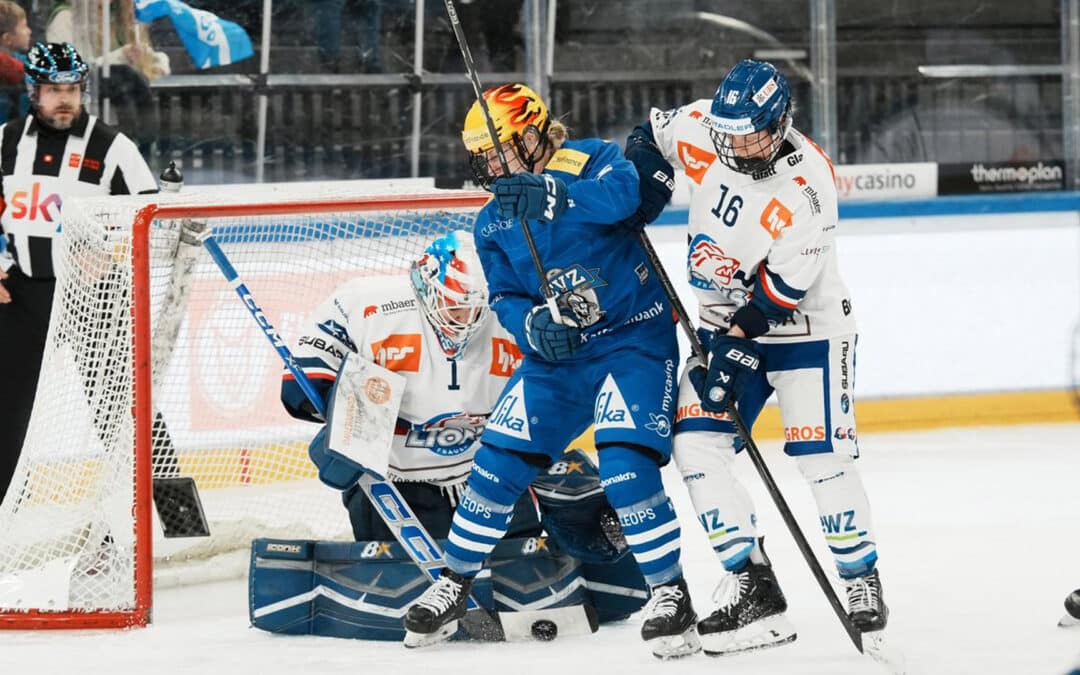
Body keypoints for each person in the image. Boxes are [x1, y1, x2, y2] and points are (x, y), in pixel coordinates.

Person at [402, 83, 700, 659]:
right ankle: (455, 582)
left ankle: (671, 594)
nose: (491, 164)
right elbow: (508, 296)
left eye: (500, 149)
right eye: (482, 156)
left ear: (534, 134)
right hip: (558, 361)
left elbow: (623, 198)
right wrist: (532, 325)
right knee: (496, 462)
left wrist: (549, 193)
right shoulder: (491, 223)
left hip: (633, 341)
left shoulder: (590, 158)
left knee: (624, 465)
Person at [621, 59, 889, 655]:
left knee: (821, 454)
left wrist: (738, 340)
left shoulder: (809, 183)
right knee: (694, 444)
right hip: (722, 327)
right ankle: (753, 586)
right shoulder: (704, 126)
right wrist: (646, 182)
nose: (738, 146)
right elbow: (649, 134)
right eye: (730, 134)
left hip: (804, 329)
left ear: (781, 121)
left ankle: (860, 577)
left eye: (752, 135)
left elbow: (781, 291)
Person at [276, 230, 648, 639]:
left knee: (571, 523)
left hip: (490, 474)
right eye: (453, 307)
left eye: (475, 309)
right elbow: (302, 381)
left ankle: (592, 551)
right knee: (402, 577)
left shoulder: (514, 314)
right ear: (424, 285)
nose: (465, 320)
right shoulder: (366, 304)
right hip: (401, 480)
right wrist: (343, 415)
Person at [0, 41, 158, 502]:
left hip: (96, 295)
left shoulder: (113, 147)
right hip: (24, 293)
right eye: (52, 88)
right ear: (33, 89)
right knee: (7, 405)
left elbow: (153, 219)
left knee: (127, 405)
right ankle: (6, 502)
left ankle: (170, 509)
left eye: (72, 87)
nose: (64, 98)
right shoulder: (6, 141)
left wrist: (111, 251)